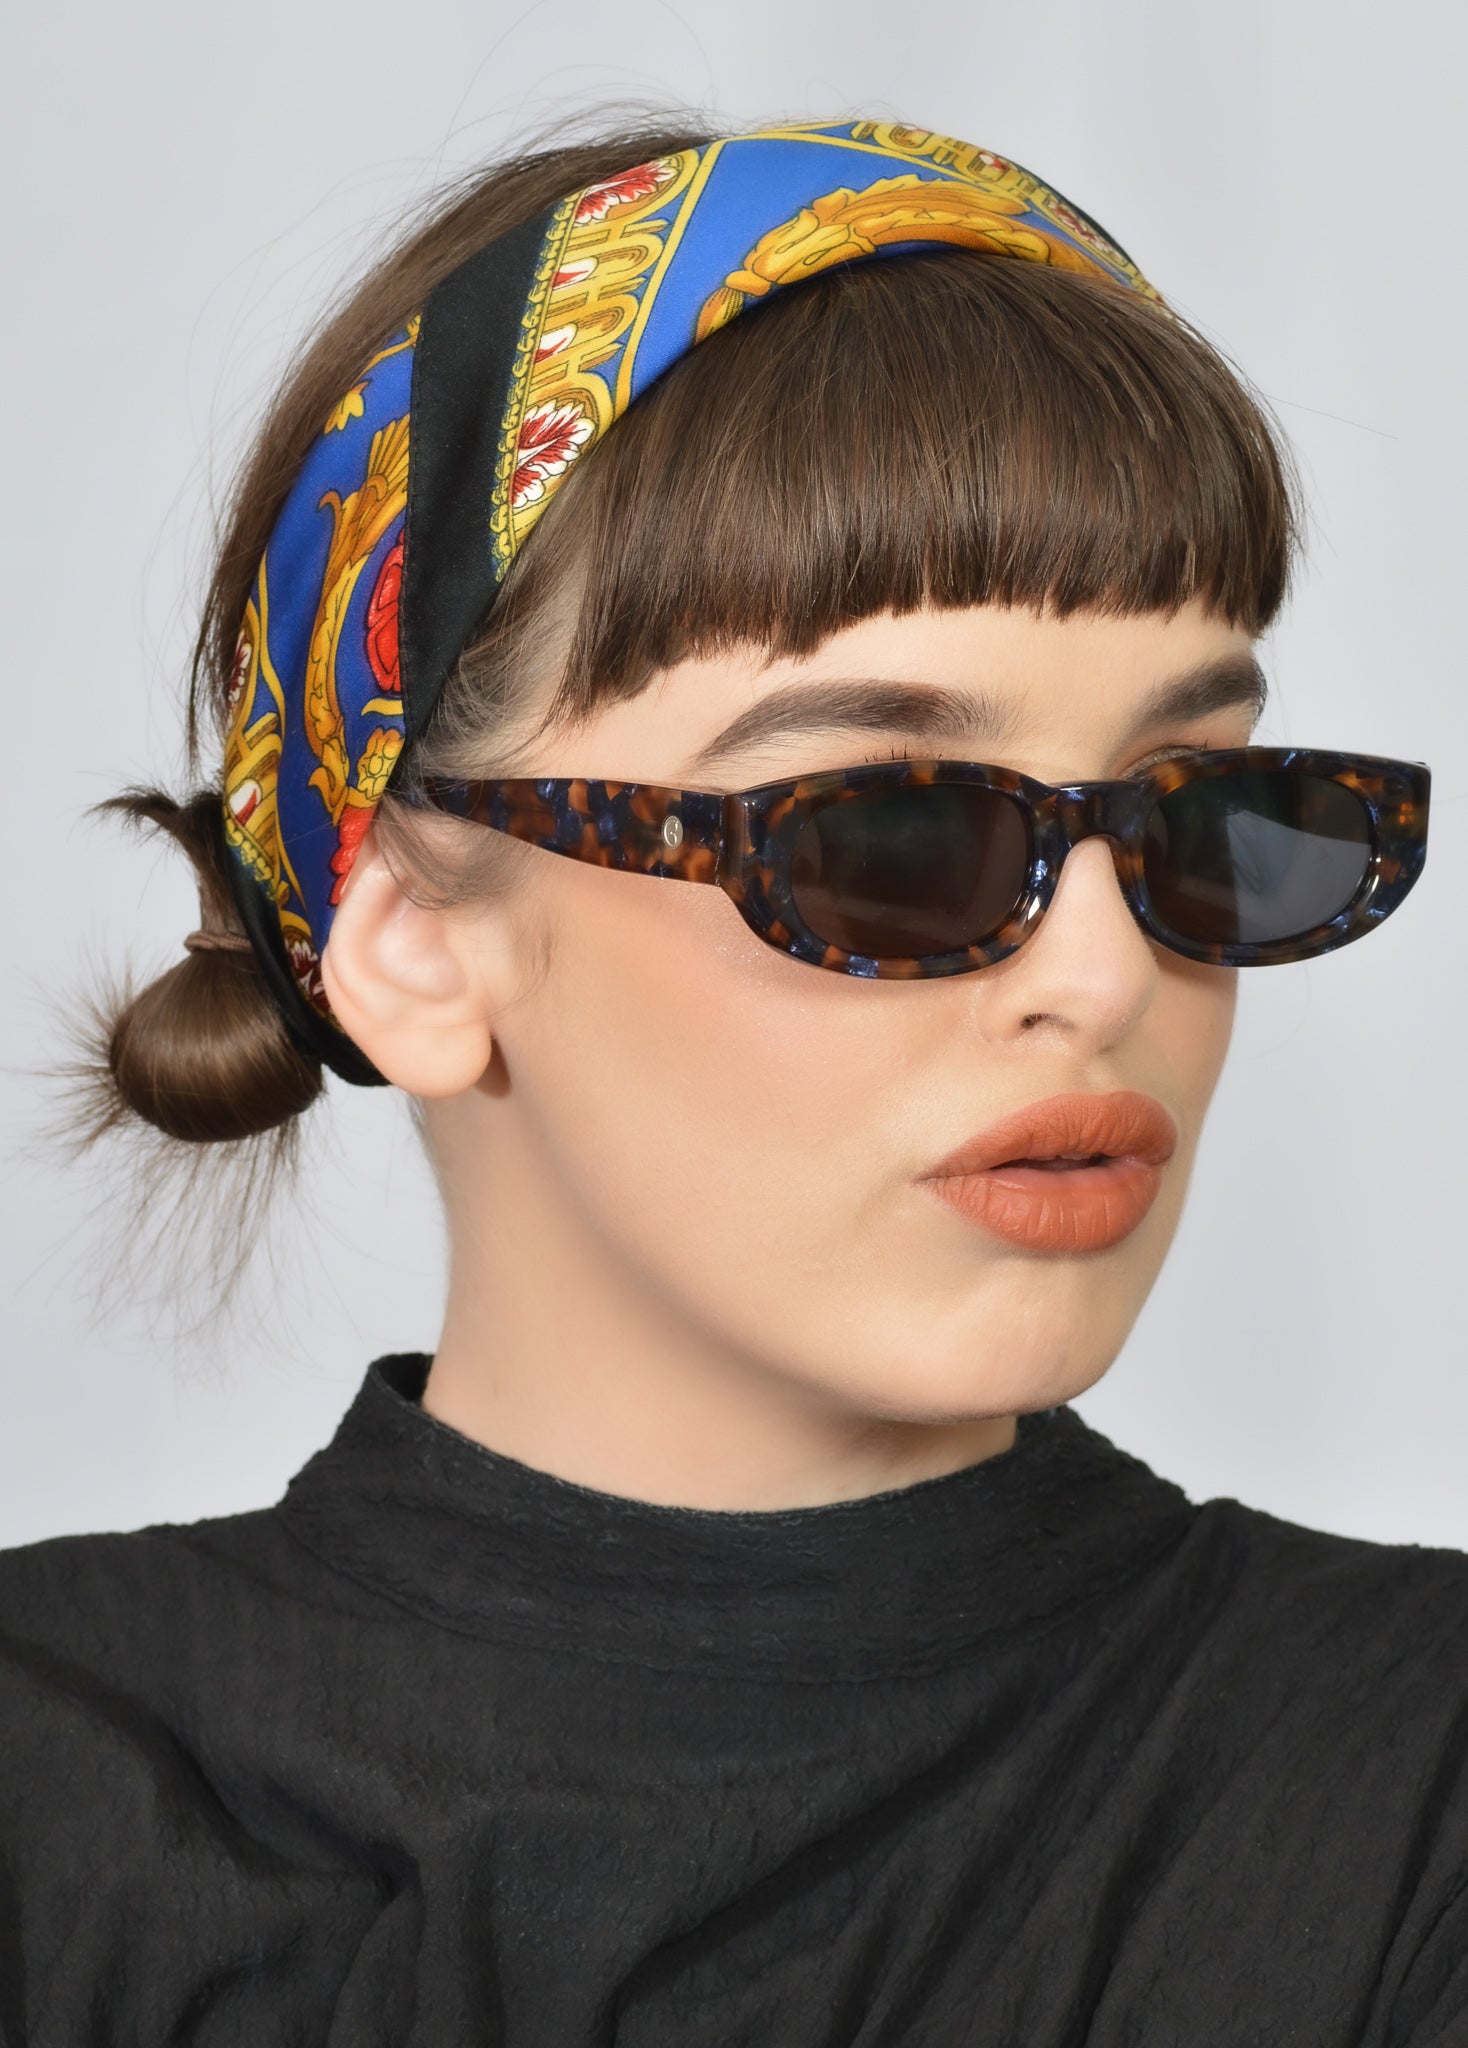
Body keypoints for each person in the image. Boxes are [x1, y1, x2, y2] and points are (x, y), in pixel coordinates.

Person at [0, 113, 1459, 2046]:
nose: (1109, 978)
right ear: (415, 943)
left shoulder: (1419, 1781)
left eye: (1200, 814)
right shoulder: (46, 1794)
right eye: (885, 833)